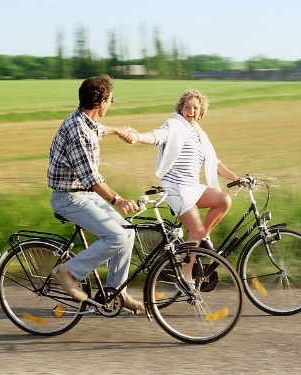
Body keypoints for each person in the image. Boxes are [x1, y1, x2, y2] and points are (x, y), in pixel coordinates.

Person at [47, 74, 143, 312]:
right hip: (69, 198)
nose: (112, 103)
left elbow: (97, 129)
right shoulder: (78, 131)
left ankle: (115, 292)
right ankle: (68, 271)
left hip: (82, 195)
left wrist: (118, 130)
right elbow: (91, 178)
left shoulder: (83, 120)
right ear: (101, 103)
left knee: (127, 233)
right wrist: (117, 200)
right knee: (117, 237)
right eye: (111, 99)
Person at [125, 88, 240, 281]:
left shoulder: (199, 133)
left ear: (201, 111)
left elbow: (214, 162)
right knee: (196, 230)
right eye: (188, 107)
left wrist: (235, 178)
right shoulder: (174, 126)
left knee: (223, 201)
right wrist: (137, 136)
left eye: (196, 108)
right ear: (181, 108)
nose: (192, 111)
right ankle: (186, 276)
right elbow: (157, 136)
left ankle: (199, 241)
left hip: (192, 187)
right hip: (175, 188)